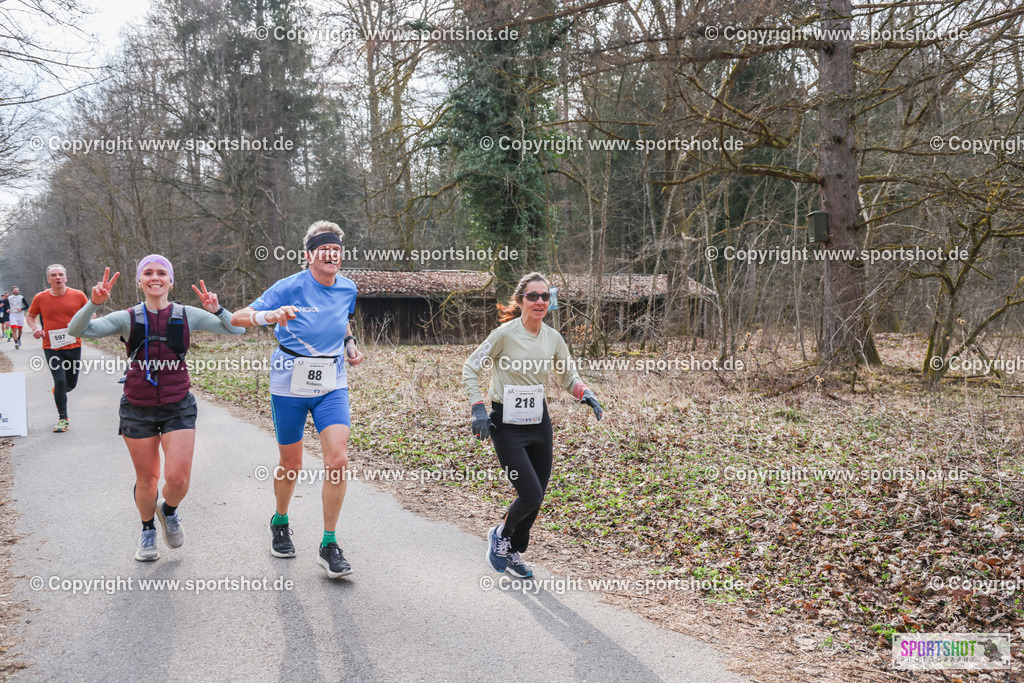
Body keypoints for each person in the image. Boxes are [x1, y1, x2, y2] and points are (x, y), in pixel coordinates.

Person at [68, 256, 245, 561]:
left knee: (178, 479)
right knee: (148, 479)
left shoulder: (186, 314)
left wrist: (217, 309)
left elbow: (236, 330)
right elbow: (76, 329)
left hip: (178, 405)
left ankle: (169, 511)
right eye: (147, 273)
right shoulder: (128, 317)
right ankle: (147, 529)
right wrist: (93, 303)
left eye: (161, 273)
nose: (155, 277)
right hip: (137, 407)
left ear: (170, 281)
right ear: (140, 281)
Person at [231, 221, 364, 579]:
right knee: (292, 463)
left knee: (338, 461)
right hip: (289, 381)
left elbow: (345, 322)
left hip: (332, 382)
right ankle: (280, 520)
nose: (332, 254)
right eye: (324, 249)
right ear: (309, 256)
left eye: (337, 250)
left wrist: (350, 344)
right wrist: (267, 315)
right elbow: (237, 317)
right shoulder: (288, 286)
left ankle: (329, 543)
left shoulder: (348, 288)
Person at [463, 272, 603, 579]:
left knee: (538, 492)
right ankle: (500, 535)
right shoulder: (504, 334)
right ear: (520, 300)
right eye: (533, 296)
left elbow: (568, 376)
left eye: (545, 296)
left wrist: (585, 393)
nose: (540, 301)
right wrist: (478, 409)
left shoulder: (553, 338)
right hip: (506, 422)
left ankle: (511, 549)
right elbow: (470, 368)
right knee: (530, 493)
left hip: (538, 422)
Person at [26, 265, 89, 432]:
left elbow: (91, 313)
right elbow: (31, 315)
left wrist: (79, 322)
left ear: (66, 278)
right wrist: (35, 329)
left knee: (71, 384)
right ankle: (63, 418)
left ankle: (58, 391)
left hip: (73, 345)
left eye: (61, 274)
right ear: (49, 280)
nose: (57, 277)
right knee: (60, 380)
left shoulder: (78, 295)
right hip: (51, 346)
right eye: (53, 275)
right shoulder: (40, 298)